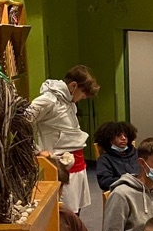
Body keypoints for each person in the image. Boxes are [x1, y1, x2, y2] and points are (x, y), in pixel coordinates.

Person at [27, 64, 99, 214]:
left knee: (75, 212)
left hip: (77, 163)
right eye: (83, 93)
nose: (84, 97)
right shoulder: (48, 100)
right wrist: (37, 151)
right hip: (60, 164)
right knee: (65, 213)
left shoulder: (70, 102)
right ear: (73, 86)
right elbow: (21, 123)